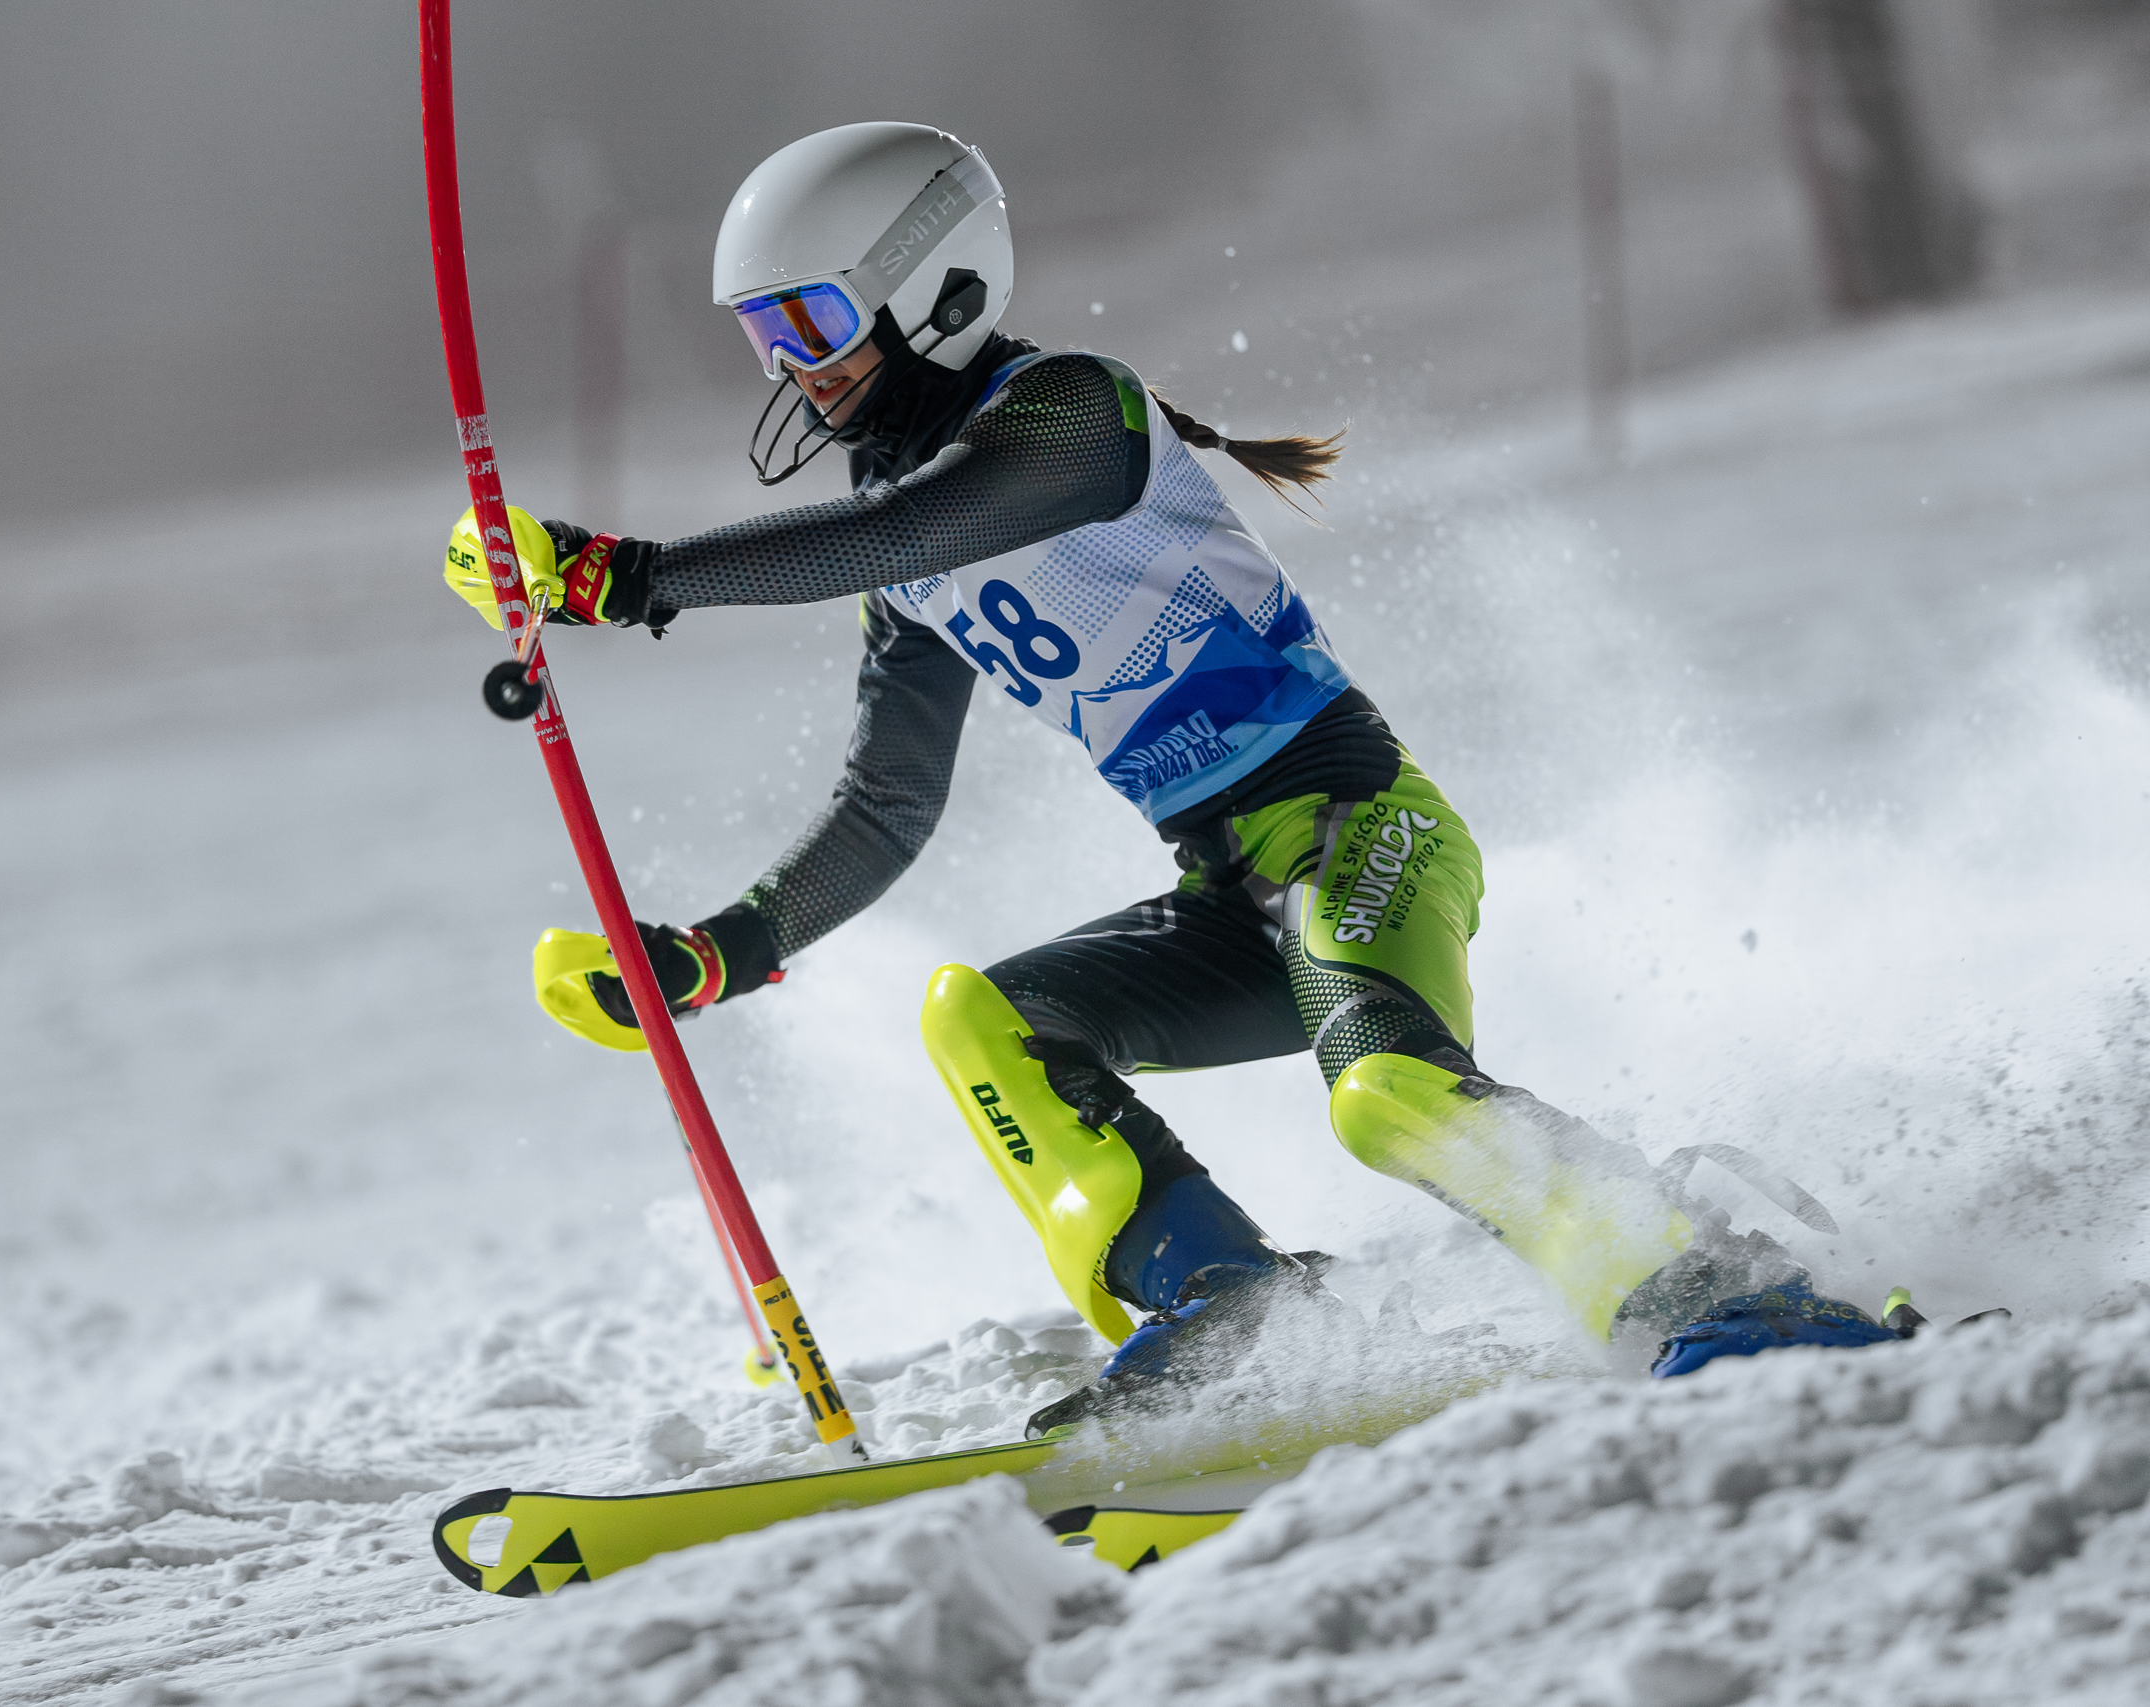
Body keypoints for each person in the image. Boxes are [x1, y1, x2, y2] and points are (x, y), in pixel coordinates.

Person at [448, 122, 1904, 1419]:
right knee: (983, 1019)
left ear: (939, 289)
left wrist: (630, 577)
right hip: (1229, 892)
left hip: (1359, 835)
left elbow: (909, 535)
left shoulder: (1072, 414)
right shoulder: (899, 536)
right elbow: (890, 803)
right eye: (764, 336)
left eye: (814, 319)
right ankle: (1228, 1305)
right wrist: (715, 956)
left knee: (1385, 1100)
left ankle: (1708, 1282)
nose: (794, 369)